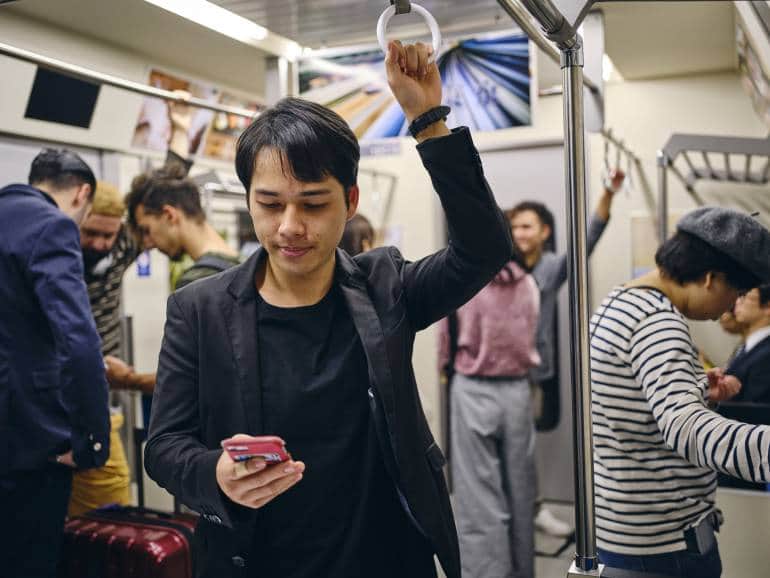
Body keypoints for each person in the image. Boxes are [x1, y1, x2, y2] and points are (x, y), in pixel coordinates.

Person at [144, 40, 512, 578]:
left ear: (350, 201)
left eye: (313, 203)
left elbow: (484, 249)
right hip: (258, 560)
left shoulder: (386, 288)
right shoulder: (199, 309)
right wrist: (214, 473)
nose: (290, 227)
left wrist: (428, 121)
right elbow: (164, 445)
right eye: (270, 204)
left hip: (382, 559)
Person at [590, 207, 770, 577]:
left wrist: (697, 387)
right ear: (711, 279)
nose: (730, 308)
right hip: (663, 547)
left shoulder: (622, 301)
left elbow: (630, 402)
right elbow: (687, 430)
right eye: (735, 293)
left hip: (625, 529)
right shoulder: (657, 324)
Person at [68, 100, 196, 516]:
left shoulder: (123, 245)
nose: (100, 244)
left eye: (108, 235)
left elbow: (167, 188)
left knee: (109, 500)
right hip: (59, 391)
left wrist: (180, 130)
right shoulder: (55, 254)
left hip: (100, 390)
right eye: (91, 233)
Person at [0, 149, 110, 577]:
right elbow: (78, 341)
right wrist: (90, 441)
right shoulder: (51, 225)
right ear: (82, 194)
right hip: (29, 442)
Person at [507, 168, 625, 537]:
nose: (520, 233)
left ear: (544, 232)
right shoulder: (498, 265)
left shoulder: (551, 268)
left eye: (527, 226)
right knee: (503, 445)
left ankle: (533, 508)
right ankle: (509, 509)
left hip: (529, 374)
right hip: (492, 372)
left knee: (524, 443)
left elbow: (589, 237)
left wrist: (608, 193)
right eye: (515, 226)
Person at [438, 246, 540, 578]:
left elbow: (445, 340)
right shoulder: (528, 283)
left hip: (473, 389)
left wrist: (444, 367)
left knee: (478, 496)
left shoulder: (465, 284)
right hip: (517, 390)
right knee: (521, 491)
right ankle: (522, 570)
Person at [126, 163, 240, 290]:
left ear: (169, 215)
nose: (148, 244)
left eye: (146, 230)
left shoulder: (195, 285)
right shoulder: (248, 267)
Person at [727, 284, 770, 403]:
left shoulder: (766, 354)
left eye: (745, 297)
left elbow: (754, 406)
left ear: (768, 307)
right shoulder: (750, 346)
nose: (737, 302)